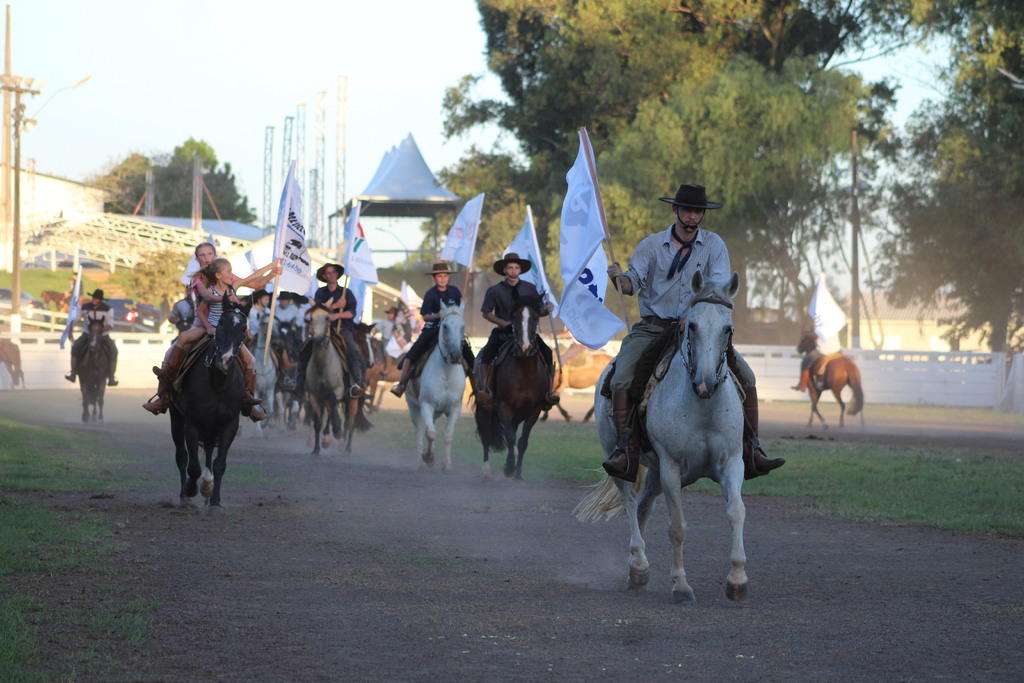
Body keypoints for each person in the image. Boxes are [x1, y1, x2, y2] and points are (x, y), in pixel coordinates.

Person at [602, 184, 786, 483]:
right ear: (674, 210)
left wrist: (696, 316)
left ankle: (752, 448)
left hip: (700, 328)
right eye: (686, 210)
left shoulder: (714, 245)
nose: (692, 216)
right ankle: (626, 450)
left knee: (747, 377)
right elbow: (631, 284)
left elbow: (718, 287)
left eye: (697, 211)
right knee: (622, 375)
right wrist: (618, 279)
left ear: (702, 214)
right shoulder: (650, 246)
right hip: (655, 327)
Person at [143, 243, 280, 420]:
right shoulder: (198, 278)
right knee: (181, 340)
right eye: (202, 255)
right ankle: (164, 394)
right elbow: (205, 298)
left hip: (226, 328)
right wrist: (224, 302)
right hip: (203, 325)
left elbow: (256, 281)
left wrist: (272, 270)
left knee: (250, 359)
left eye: (209, 254)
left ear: (215, 256)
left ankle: (248, 398)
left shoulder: (228, 277)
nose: (206, 257)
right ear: (197, 258)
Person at [473, 252, 560, 410]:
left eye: (516, 268)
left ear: (520, 271)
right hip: (503, 332)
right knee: (487, 352)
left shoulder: (530, 289)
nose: (513, 271)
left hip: (527, 333)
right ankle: (485, 389)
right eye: (510, 268)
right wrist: (503, 322)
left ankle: (549, 391)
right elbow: (486, 313)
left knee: (547, 352)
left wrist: (548, 309)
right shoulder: (495, 290)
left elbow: (537, 311)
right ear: (504, 270)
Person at [390, 262, 476, 398]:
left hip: (451, 329)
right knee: (414, 352)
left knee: (468, 353)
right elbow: (425, 316)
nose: (442, 279)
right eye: (439, 276)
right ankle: (402, 384)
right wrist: (438, 315)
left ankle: (478, 386)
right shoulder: (430, 294)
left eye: (445, 276)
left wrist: (462, 304)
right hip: (433, 329)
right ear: (434, 278)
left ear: (448, 277)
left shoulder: (455, 291)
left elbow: (459, 313)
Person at [294, 263, 366, 397]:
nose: (331, 275)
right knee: (305, 348)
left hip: (342, 329)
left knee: (351, 349)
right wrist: (336, 306)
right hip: (323, 329)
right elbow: (318, 309)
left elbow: (352, 312)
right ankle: (299, 381)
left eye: (333, 272)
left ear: (337, 274)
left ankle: (355, 383)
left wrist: (337, 315)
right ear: (324, 276)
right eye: (328, 273)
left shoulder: (346, 293)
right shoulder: (320, 293)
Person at [64, 288, 119, 387]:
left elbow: (110, 324)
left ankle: (111, 377)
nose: (94, 300)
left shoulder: (108, 309)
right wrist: (70, 329)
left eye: (97, 298)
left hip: (103, 335)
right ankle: (73, 373)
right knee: (76, 347)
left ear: (100, 300)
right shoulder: (85, 307)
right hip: (87, 334)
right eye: (94, 298)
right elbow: (76, 319)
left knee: (113, 351)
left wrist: (99, 330)